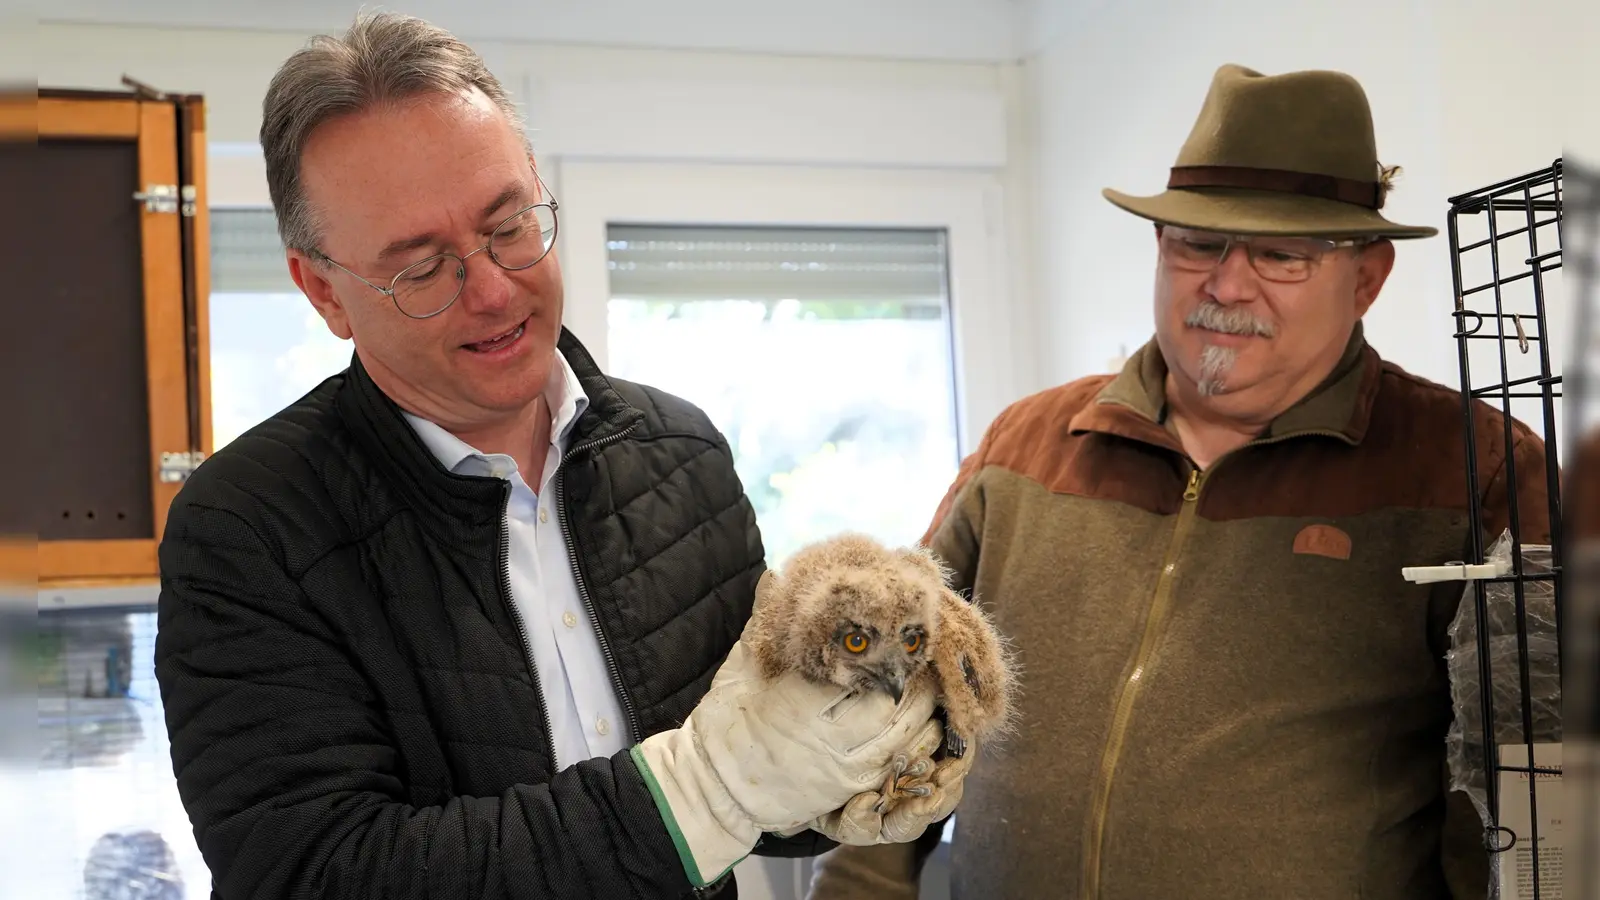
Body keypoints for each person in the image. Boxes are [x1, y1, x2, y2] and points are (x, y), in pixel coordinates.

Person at [153, 12, 963, 900]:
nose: (496, 290)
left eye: (510, 225)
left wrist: (855, 768)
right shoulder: (248, 531)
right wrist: (700, 792)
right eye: (423, 268)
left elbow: (757, 780)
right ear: (324, 292)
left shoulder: (681, 456)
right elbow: (321, 873)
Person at [804, 63, 1553, 900]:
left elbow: (1524, 794)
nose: (1227, 286)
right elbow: (900, 701)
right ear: (1160, 247)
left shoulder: (1474, 471)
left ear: (1367, 278)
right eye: (1198, 244)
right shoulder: (1026, 447)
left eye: (1280, 255)